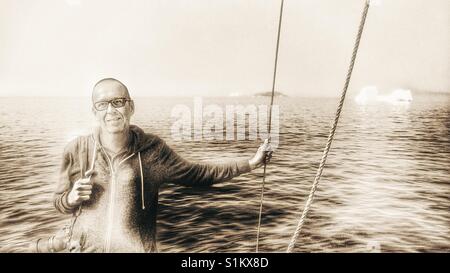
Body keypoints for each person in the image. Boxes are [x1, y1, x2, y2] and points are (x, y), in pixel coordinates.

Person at [50, 78, 273, 253]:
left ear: (130, 107)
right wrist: (70, 199)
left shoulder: (153, 151)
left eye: (118, 102)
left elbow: (198, 174)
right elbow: (59, 202)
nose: (111, 111)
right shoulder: (76, 150)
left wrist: (250, 164)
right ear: (94, 111)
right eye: (102, 104)